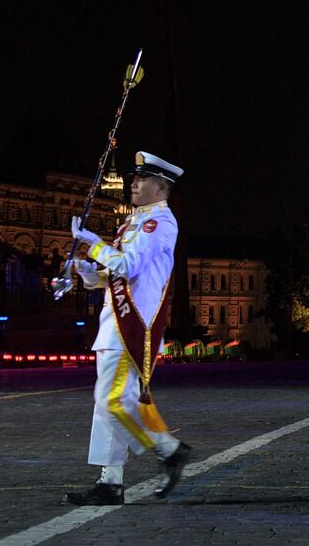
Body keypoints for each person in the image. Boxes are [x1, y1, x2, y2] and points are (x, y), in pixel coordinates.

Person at [64, 152, 191, 506]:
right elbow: (116, 273)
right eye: (133, 179)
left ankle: (169, 450)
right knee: (107, 403)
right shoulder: (134, 222)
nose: (133, 184)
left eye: (141, 180)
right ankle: (110, 482)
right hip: (114, 324)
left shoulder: (159, 224)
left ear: (161, 187)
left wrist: (92, 243)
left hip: (133, 324)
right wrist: (89, 273)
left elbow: (130, 265)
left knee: (113, 401)